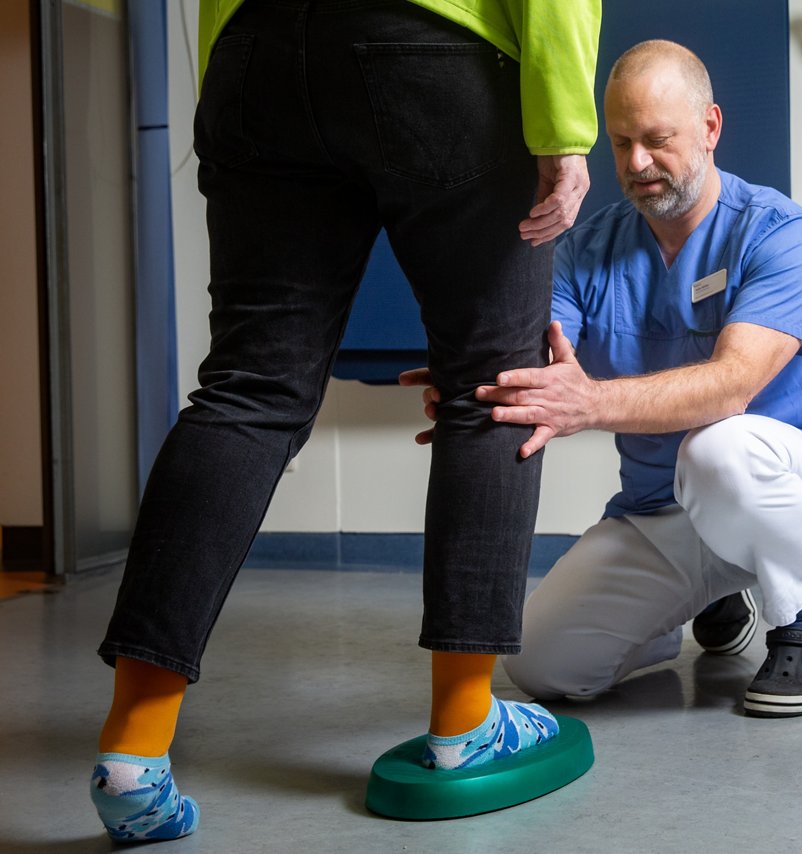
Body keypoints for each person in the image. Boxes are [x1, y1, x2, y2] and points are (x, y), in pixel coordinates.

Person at [90, 0, 599, 842]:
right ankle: (466, 725)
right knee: (494, 386)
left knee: (246, 391)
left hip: (253, 51)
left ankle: (132, 751)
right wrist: (564, 125)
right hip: (438, 48)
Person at [405, 40, 802, 720]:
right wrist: (474, 382)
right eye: (620, 143)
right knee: (540, 663)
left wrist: (588, 403)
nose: (637, 164)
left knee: (720, 450)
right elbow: (535, 355)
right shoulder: (588, 250)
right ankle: (708, 596)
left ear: (710, 127)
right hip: (663, 511)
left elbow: (731, 386)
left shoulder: (782, 233)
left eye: (657, 140)